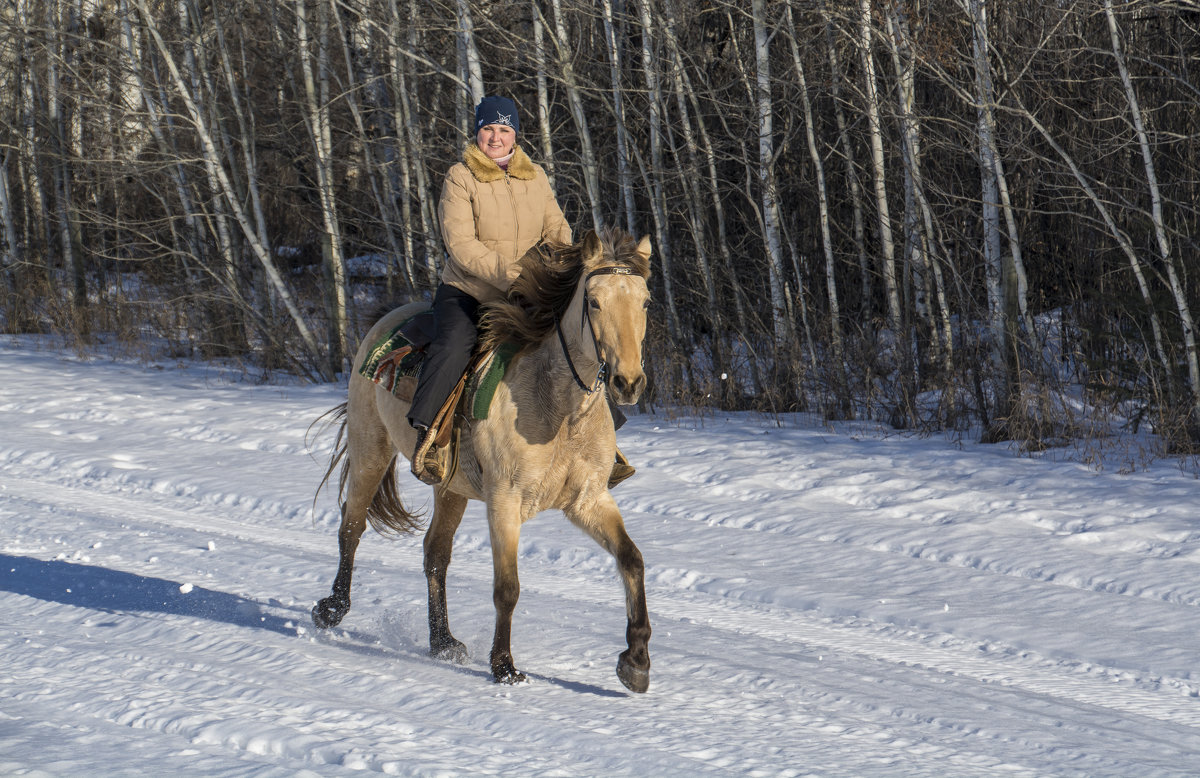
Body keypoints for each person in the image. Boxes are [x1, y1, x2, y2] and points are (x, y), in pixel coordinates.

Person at [407, 95, 571, 484]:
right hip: (469, 290)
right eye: (488, 129)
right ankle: (428, 438)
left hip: (527, 291)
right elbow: (461, 246)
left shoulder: (536, 176)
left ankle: (600, 442)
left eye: (503, 129)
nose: (495, 137)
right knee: (454, 344)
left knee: (575, 338)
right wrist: (514, 274)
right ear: (477, 132)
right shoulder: (460, 176)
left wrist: (559, 264)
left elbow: (557, 229)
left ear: (515, 135)